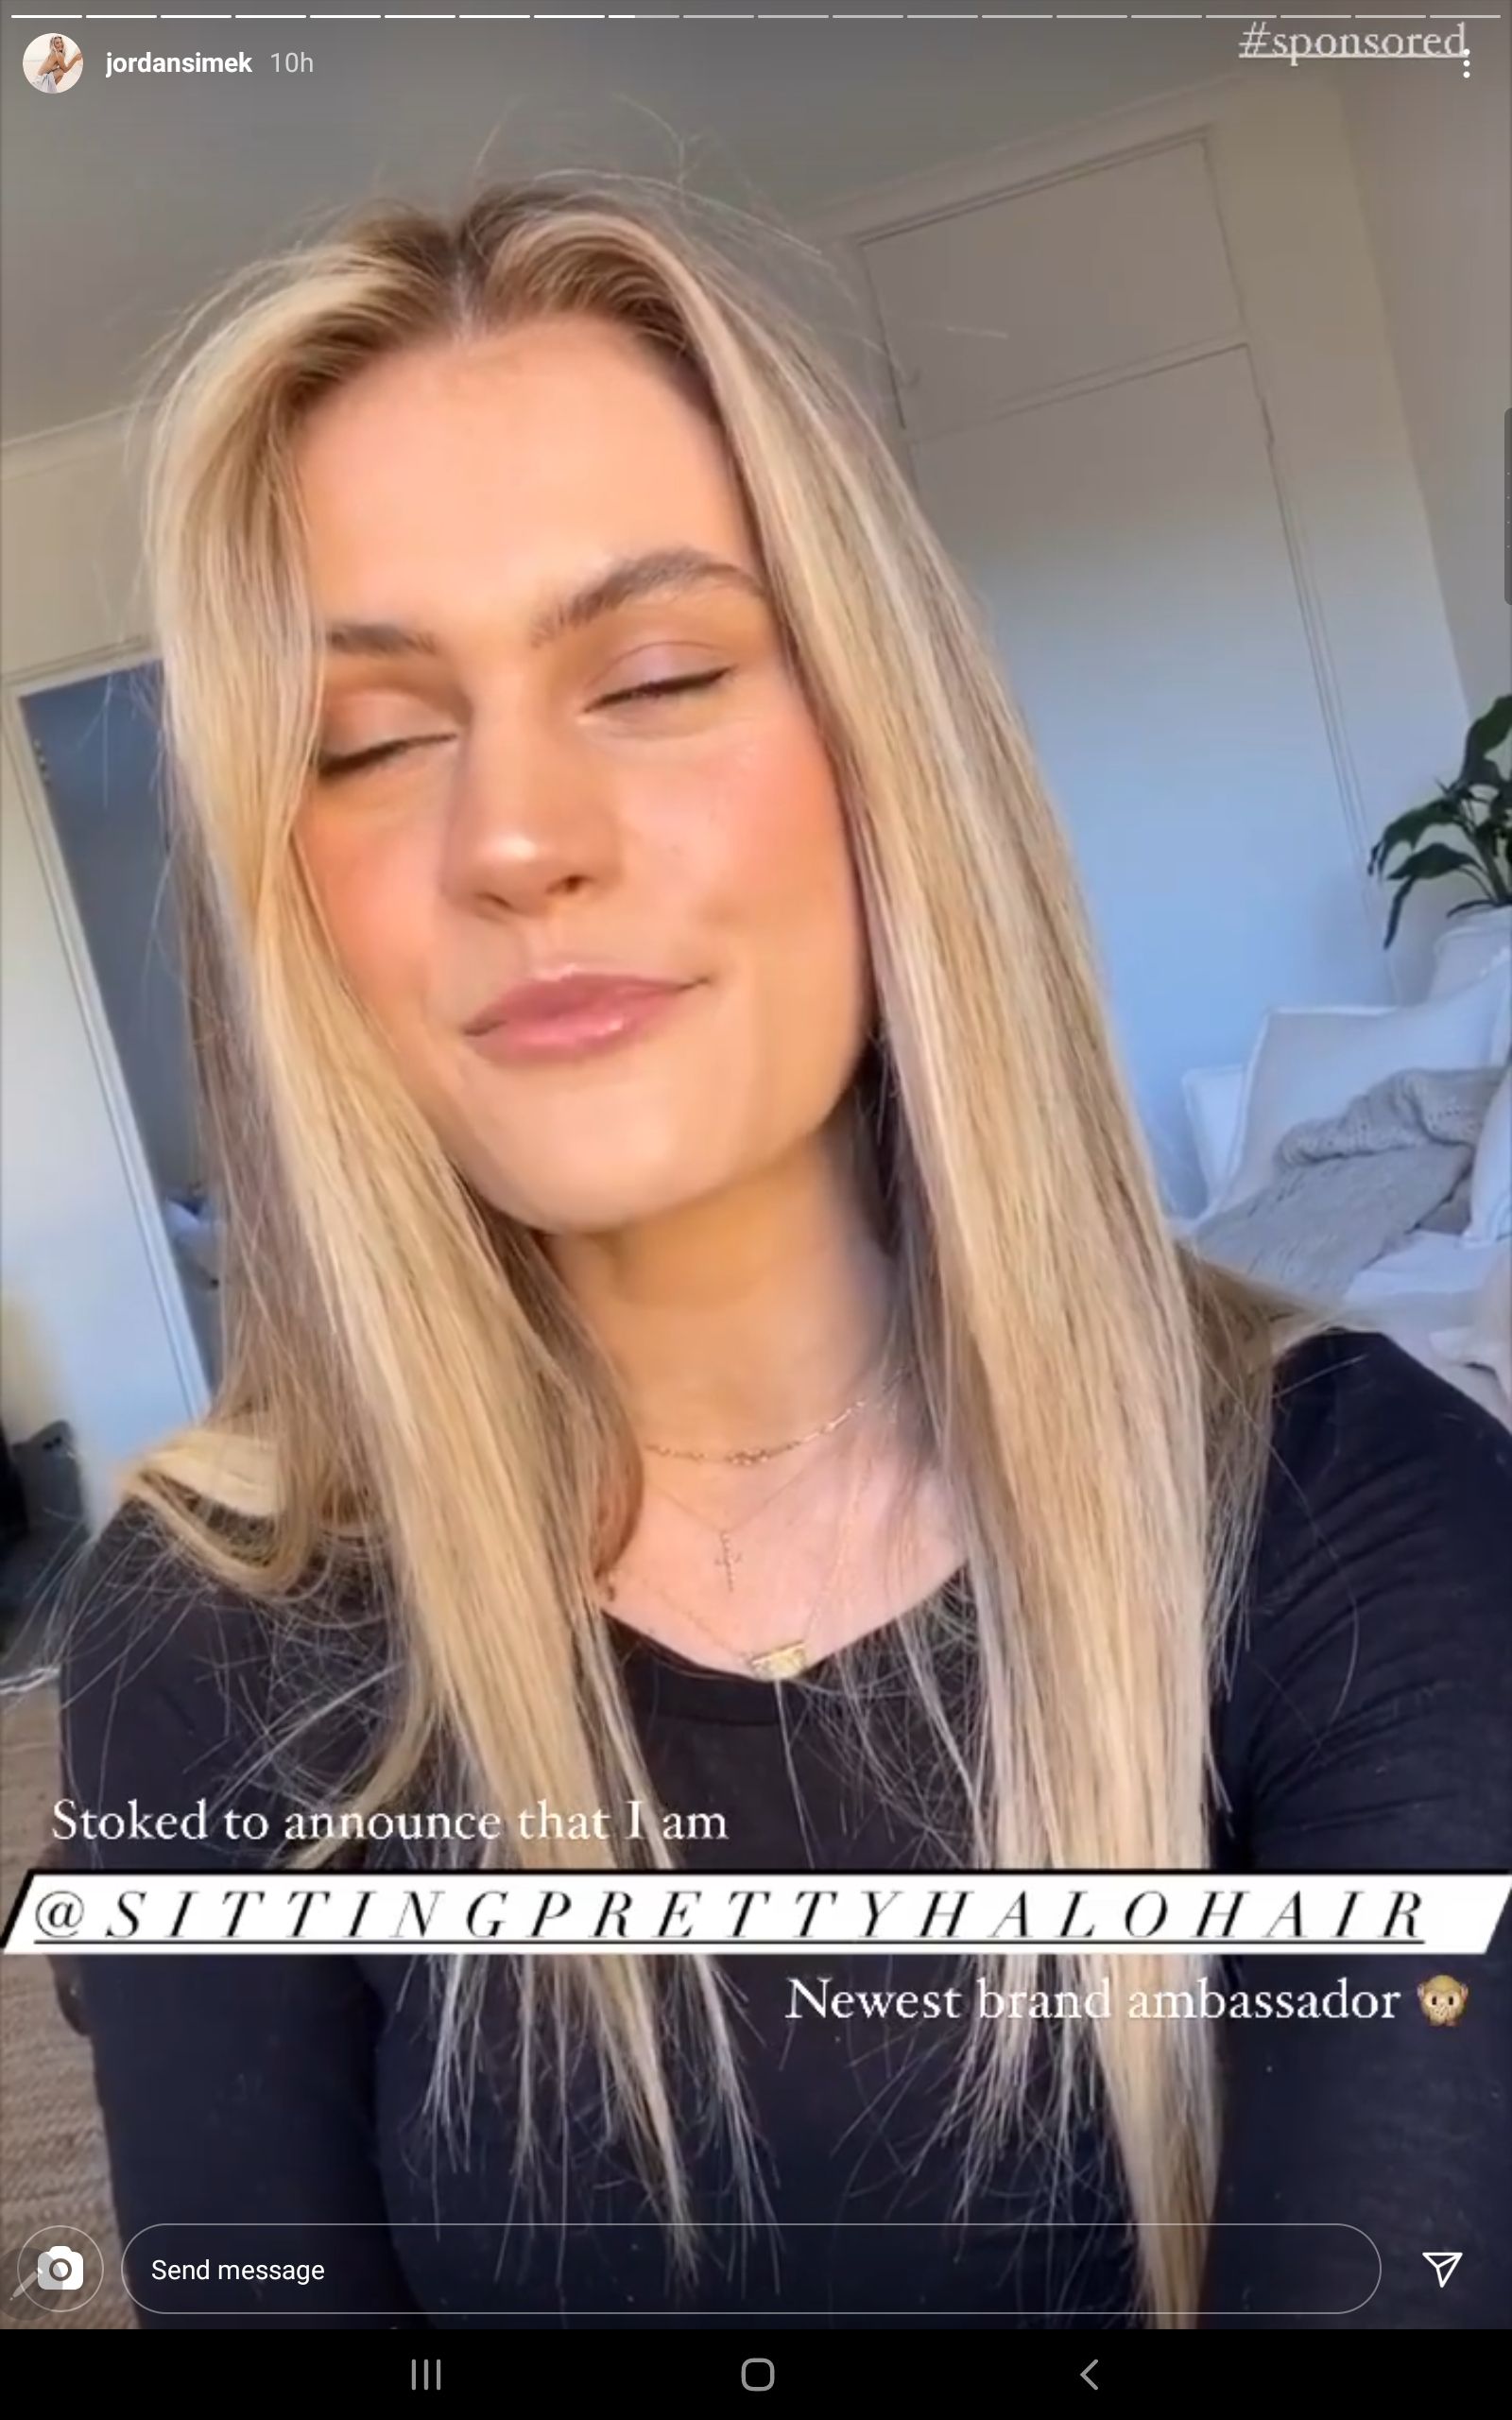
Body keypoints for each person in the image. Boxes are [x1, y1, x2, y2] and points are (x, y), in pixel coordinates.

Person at [59, 182, 1511, 2333]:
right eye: (370, 739)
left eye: (652, 676)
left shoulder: (1356, 1517)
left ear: (882, 750)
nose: (514, 835)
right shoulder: (205, 1629)